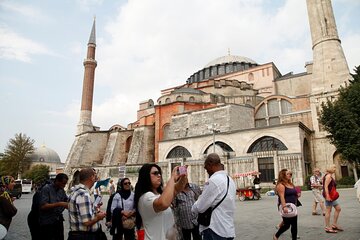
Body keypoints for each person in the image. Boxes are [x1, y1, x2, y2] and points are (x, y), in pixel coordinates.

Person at [134, 163, 187, 240]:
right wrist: (172, 178)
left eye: (159, 173)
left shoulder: (159, 194)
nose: (159, 175)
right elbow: (163, 203)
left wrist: (183, 177)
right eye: (155, 173)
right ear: (146, 176)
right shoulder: (146, 197)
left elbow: (176, 189)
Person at [192, 153, 236, 240]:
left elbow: (200, 207)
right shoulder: (230, 180)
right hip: (228, 229)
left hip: (215, 229)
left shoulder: (213, 181)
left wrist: (193, 208)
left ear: (210, 164)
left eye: (206, 167)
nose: (206, 170)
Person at [68, 168, 107, 240]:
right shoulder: (83, 194)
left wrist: (94, 209)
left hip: (78, 235)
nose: (96, 178)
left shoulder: (75, 191)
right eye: (95, 176)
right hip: (84, 236)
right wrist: (99, 217)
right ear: (91, 177)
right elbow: (87, 222)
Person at [39, 173, 69, 240]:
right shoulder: (46, 189)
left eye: (65, 184)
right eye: (63, 183)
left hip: (58, 220)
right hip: (47, 222)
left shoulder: (61, 190)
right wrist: (59, 204)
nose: (64, 186)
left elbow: (66, 201)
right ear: (57, 181)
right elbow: (43, 206)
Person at [273, 169, 298, 240]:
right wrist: (284, 207)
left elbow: (293, 193)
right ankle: (276, 235)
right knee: (287, 225)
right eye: (288, 174)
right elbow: (282, 197)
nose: (290, 175)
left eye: (291, 174)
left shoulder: (290, 184)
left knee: (294, 225)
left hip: (293, 206)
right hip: (285, 206)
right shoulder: (281, 185)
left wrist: (297, 195)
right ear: (283, 175)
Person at [323, 164, 343, 233]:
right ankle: (327, 227)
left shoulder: (329, 175)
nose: (335, 168)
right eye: (334, 167)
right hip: (329, 196)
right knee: (328, 210)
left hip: (332, 196)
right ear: (330, 168)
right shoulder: (328, 176)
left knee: (338, 209)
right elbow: (325, 187)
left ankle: (334, 224)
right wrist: (327, 196)